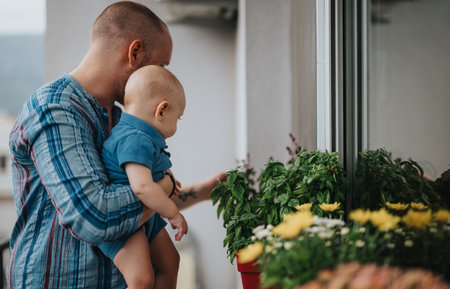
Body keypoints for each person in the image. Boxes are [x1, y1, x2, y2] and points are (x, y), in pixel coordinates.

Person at [7, 2, 225, 288]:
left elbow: (138, 203)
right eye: (160, 66)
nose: (162, 77)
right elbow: (97, 216)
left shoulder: (121, 120)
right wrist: (166, 185)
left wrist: (202, 191)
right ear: (134, 53)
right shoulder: (55, 110)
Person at [99, 65, 187, 289]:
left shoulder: (138, 136)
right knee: (141, 279)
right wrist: (173, 213)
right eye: (178, 118)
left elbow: (146, 176)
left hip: (144, 216)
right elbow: (142, 187)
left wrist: (165, 179)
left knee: (170, 261)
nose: (176, 125)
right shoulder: (135, 138)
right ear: (162, 111)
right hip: (126, 222)